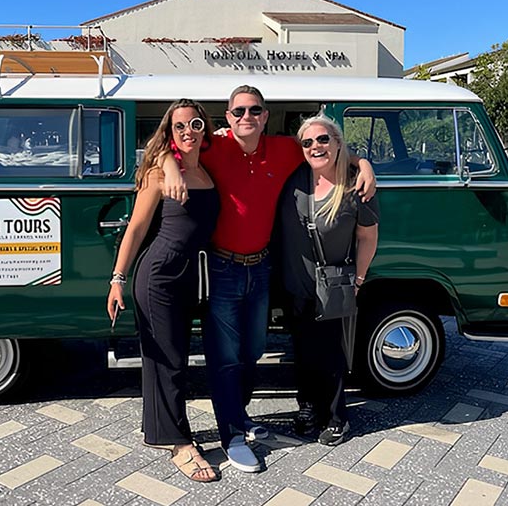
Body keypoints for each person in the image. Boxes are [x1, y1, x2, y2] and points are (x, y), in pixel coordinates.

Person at [162, 86, 376, 472]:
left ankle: (241, 416)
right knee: (225, 357)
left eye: (255, 110)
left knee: (254, 350)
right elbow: (175, 143)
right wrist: (169, 165)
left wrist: (363, 165)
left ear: (264, 115)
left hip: (260, 268)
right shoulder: (215, 147)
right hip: (223, 267)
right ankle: (230, 433)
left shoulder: (285, 148)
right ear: (227, 118)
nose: (247, 116)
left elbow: (327, 149)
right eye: (238, 111)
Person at [106, 99, 221, 483]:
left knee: (175, 358)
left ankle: (157, 431)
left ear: (205, 128)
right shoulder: (158, 173)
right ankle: (178, 443)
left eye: (195, 125)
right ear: (170, 133)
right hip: (160, 276)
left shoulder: (208, 169)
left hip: (196, 275)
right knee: (168, 361)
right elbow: (136, 228)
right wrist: (118, 278)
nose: (188, 131)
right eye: (179, 127)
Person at [273, 115, 379, 446]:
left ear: (336, 142)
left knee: (331, 354)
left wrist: (359, 279)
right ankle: (307, 408)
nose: (316, 147)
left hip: (332, 286)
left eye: (323, 140)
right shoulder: (294, 177)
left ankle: (336, 417)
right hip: (295, 284)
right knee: (302, 350)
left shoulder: (356, 186)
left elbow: (367, 237)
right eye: (307, 142)